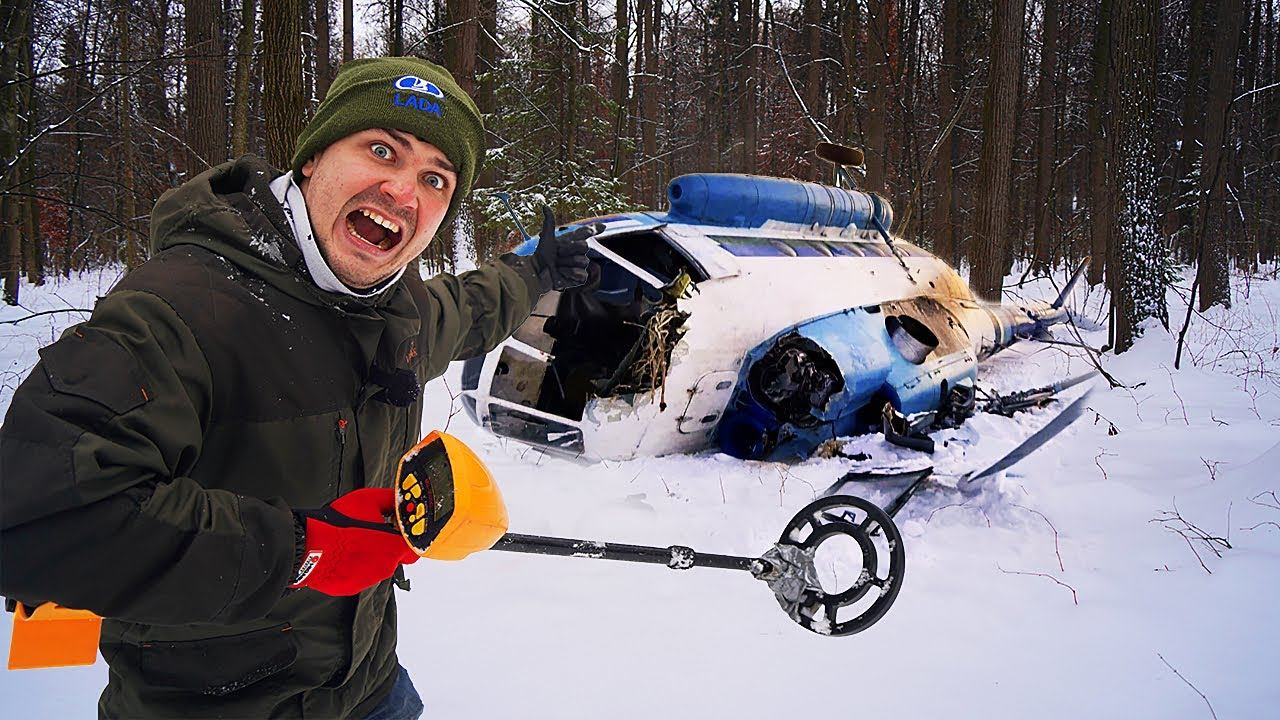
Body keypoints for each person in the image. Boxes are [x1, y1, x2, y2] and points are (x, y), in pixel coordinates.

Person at [0, 57, 596, 719]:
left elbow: (472, 307)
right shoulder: (178, 311)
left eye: (435, 178)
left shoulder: (399, 311)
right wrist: (304, 551)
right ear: (312, 158)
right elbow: (37, 520)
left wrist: (536, 268)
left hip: (367, 684)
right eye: (381, 150)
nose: (403, 192)